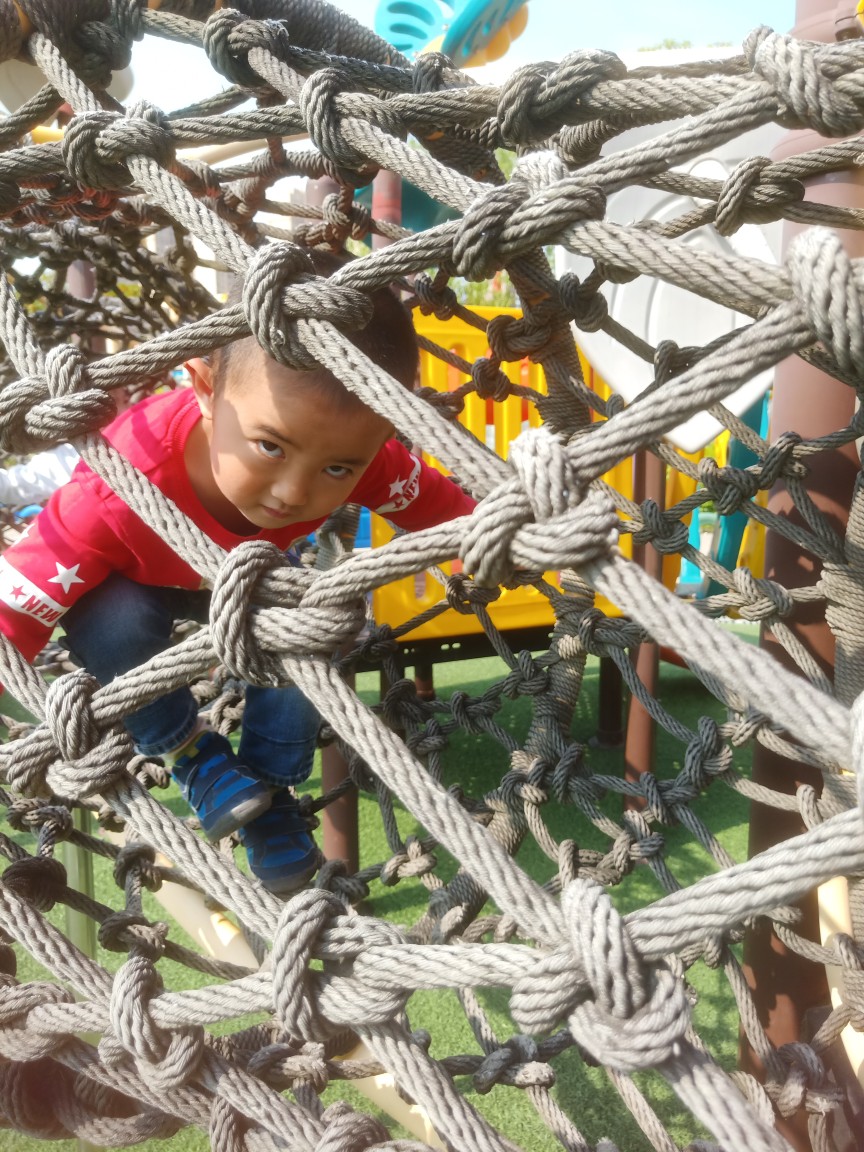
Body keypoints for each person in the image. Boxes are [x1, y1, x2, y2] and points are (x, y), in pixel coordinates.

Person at [0, 250, 476, 894]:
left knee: (309, 622)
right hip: (134, 575)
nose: (293, 491)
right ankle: (192, 755)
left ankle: (269, 795)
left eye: (338, 469)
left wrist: (498, 535)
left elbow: (448, 510)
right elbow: (14, 610)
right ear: (203, 388)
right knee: (105, 621)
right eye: (269, 446)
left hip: (251, 580)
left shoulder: (362, 455)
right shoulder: (112, 493)